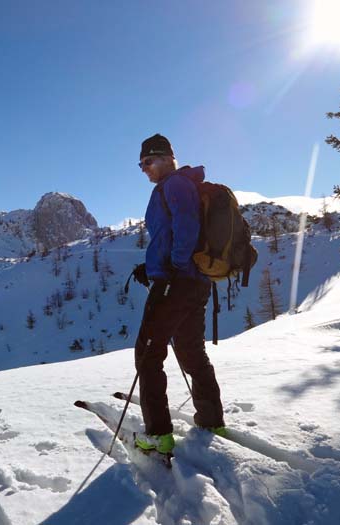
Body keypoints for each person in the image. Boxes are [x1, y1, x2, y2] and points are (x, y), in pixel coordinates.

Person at [133, 133, 226, 455]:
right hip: (193, 283)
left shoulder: (174, 184)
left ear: (165, 158)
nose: (144, 169)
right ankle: (211, 419)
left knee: (148, 354)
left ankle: (158, 434)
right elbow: (170, 234)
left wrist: (173, 267)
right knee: (190, 350)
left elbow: (186, 225)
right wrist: (152, 266)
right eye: (141, 164)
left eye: (148, 162)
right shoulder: (182, 184)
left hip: (177, 282)